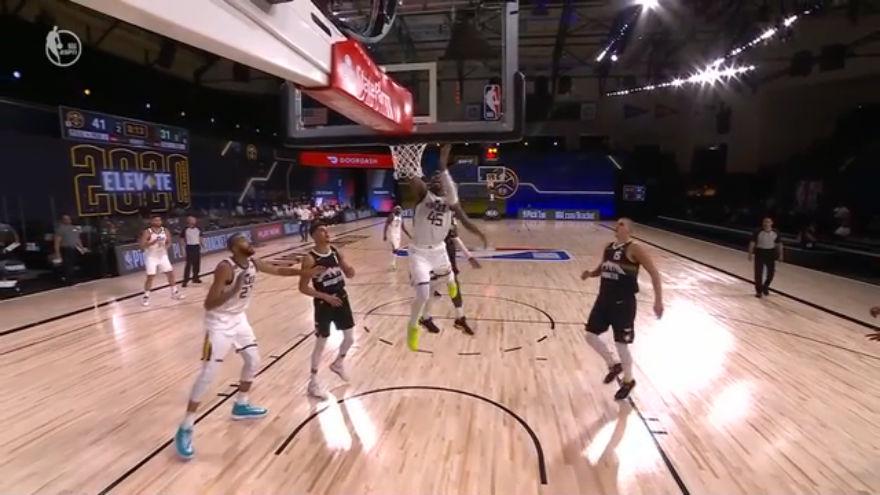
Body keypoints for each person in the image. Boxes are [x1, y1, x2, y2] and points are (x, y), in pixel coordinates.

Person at [173, 233, 325, 460]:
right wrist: (234, 289)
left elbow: (279, 270)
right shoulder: (225, 268)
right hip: (218, 323)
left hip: (239, 319)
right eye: (244, 241)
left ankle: (240, 405)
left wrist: (304, 273)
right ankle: (185, 427)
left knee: (254, 361)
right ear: (235, 248)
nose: (249, 243)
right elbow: (209, 303)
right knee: (208, 374)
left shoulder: (253, 262)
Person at [400, 144, 486, 351]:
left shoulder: (450, 202)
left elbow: (465, 221)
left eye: (441, 178)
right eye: (434, 178)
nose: (437, 179)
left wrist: (480, 234)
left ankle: (449, 295)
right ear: (429, 183)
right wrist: (407, 162)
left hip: (439, 250)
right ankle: (413, 326)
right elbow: (413, 179)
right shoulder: (423, 195)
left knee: (450, 279)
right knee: (423, 294)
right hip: (420, 253)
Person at [581, 218, 663, 400]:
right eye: (617, 223)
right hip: (603, 300)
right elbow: (603, 267)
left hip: (623, 303)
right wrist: (590, 274)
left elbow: (654, 273)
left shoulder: (634, 248)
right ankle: (613, 364)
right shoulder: (609, 247)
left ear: (630, 230)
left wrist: (658, 300)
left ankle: (628, 380)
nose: (617, 225)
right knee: (590, 336)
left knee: (621, 344)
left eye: (622, 224)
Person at [298, 222, 356, 399]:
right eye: (321, 230)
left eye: (326, 229)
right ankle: (313, 383)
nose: (326, 232)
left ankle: (338, 363)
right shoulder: (310, 259)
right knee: (321, 342)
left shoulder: (336, 252)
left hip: (341, 298)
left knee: (350, 338)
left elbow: (349, 273)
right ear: (314, 235)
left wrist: (350, 270)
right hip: (324, 303)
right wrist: (325, 297)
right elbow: (302, 287)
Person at [420, 217, 483, 336]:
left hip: (448, 254)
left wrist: (469, 257)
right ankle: (425, 317)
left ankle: (460, 317)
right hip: (435, 256)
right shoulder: (431, 218)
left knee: (454, 286)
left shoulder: (451, 218)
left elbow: (455, 237)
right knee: (432, 289)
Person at [140, 214, 183, 306]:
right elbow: (142, 245)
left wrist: (166, 247)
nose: (158, 222)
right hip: (151, 256)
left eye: (159, 220)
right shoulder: (147, 232)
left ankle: (174, 292)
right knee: (150, 276)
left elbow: (169, 242)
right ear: (151, 221)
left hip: (162, 255)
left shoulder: (165, 230)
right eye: (156, 220)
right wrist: (152, 242)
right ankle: (146, 296)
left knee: (170, 273)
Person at [748, 217, 784, 298]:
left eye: (768, 222)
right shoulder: (757, 231)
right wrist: (750, 253)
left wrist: (781, 255)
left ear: (771, 223)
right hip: (760, 252)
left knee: (771, 273)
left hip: (770, 253)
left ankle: (765, 286)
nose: (766, 224)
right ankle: (759, 291)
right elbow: (752, 242)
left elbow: (779, 244)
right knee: (758, 273)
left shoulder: (776, 232)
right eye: (764, 222)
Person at [53, 214, 86, 284]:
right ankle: (68, 281)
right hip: (65, 249)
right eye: (65, 219)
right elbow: (57, 242)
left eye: (68, 219)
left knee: (72, 264)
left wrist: (82, 248)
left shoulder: (74, 228)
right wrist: (58, 253)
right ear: (62, 220)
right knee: (67, 265)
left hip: (74, 249)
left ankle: (72, 279)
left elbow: (78, 239)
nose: (67, 220)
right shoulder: (60, 229)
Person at [383, 205, 410, 270]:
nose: (398, 210)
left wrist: (409, 235)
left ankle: (393, 263)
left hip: (398, 235)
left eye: (399, 209)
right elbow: (386, 225)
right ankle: (392, 264)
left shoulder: (401, 217)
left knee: (396, 249)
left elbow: (403, 228)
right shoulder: (391, 216)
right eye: (397, 209)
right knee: (395, 249)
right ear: (394, 210)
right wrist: (384, 235)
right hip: (392, 234)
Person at [181, 216, 203, 287]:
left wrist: (202, 245)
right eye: (193, 220)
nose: (195, 221)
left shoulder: (198, 228)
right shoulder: (185, 229)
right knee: (188, 264)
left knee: (197, 263)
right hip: (189, 247)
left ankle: (195, 277)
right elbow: (182, 240)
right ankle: (185, 280)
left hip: (197, 246)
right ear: (189, 221)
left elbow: (200, 237)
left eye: (195, 220)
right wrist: (183, 249)